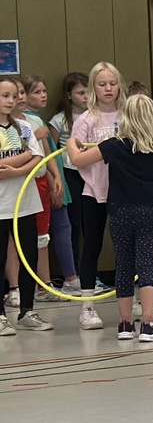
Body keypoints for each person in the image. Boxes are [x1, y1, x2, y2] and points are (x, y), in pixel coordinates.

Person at [65, 94, 153, 343]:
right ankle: (148, 324)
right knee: (146, 267)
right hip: (149, 211)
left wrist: (72, 142)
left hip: (120, 211)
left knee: (124, 266)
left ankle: (125, 325)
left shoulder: (114, 145)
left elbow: (77, 159)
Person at [70, 62, 123, 330]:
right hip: (93, 192)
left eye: (112, 83)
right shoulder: (85, 120)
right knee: (91, 246)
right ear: (93, 87)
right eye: (102, 84)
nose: (108, 89)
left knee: (126, 248)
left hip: (124, 193)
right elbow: (76, 157)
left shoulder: (126, 116)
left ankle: (131, 299)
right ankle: (87, 307)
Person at [19, 76, 74, 302]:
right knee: (17, 240)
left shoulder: (34, 122)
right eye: (11, 95)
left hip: (40, 182)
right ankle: (16, 288)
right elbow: (26, 153)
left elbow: (45, 154)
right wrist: (33, 138)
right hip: (21, 184)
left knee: (43, 235)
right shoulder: (18, 126)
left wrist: (55, 177)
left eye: (21, 93)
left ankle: (46, 284)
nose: (18, 99)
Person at [0, 77, 49, 334]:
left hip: (26, 203)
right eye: (4, 96)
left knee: (28, 257)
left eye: (13, 95)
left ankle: (28, 310)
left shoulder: (24, 127)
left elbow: (38, 156)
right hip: (1, 206)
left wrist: (15, 171)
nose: (10, 101)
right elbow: (27, 155)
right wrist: (25, 157)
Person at [49, 72, 89, 295]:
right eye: (81, 92)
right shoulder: (59, 120)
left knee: (87, 224)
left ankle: (88, 272)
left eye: (88, 92)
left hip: (90, 173)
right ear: (69, 95)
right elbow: (51, 151)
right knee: (72, 225)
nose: (86, 97)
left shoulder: (94, 117)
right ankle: (72, 274)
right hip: (69, 173)